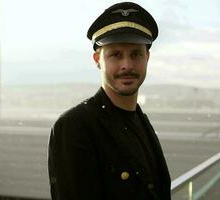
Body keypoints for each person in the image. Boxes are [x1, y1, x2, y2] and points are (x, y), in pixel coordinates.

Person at [48, 2, 171, 200]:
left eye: (135, 54)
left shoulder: (141, 120)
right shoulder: (74, 126)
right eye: (115, 55)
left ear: (147, 57)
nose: (127, 65)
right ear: (98, 60)